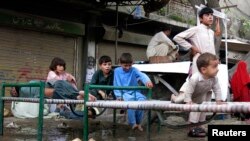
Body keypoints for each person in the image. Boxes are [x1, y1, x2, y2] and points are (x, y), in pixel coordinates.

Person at [171, 53, 224, 137]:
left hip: (199, 94)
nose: (217, 69)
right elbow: (189, 90)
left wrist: (218, 100)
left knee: (200, 108)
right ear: (203, 70)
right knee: (178, 101)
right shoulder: (195, 78)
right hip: (186, 91)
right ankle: (173, 97)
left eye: (217, 66)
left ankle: (198, 126)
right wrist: (188, 100)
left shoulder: (214, 79)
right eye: (214, 67)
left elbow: (217, 89)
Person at [113, 53, 153, 131]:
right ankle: (133, 123)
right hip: (124, 93)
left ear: (132, 63)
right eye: (125, 66)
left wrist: (148, 81)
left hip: (135, 92)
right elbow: (116, 83)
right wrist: (119, 96)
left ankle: (139, 123)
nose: (128, 68)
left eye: (129, 65)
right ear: (120, 64)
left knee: (142, 101)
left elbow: (142, 75)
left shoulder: (134, 69)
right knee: (130, 103)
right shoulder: (117, 71)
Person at [173, 6, 216, 74]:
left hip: (211, 62)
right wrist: (192, 47)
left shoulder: (211, 32)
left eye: (211, 15)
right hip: (200, 61)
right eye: (207, 15)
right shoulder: (196, 29)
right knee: (197, 81)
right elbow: (177, 37)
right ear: (200, 19)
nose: (210, 17)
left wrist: (215, 60)